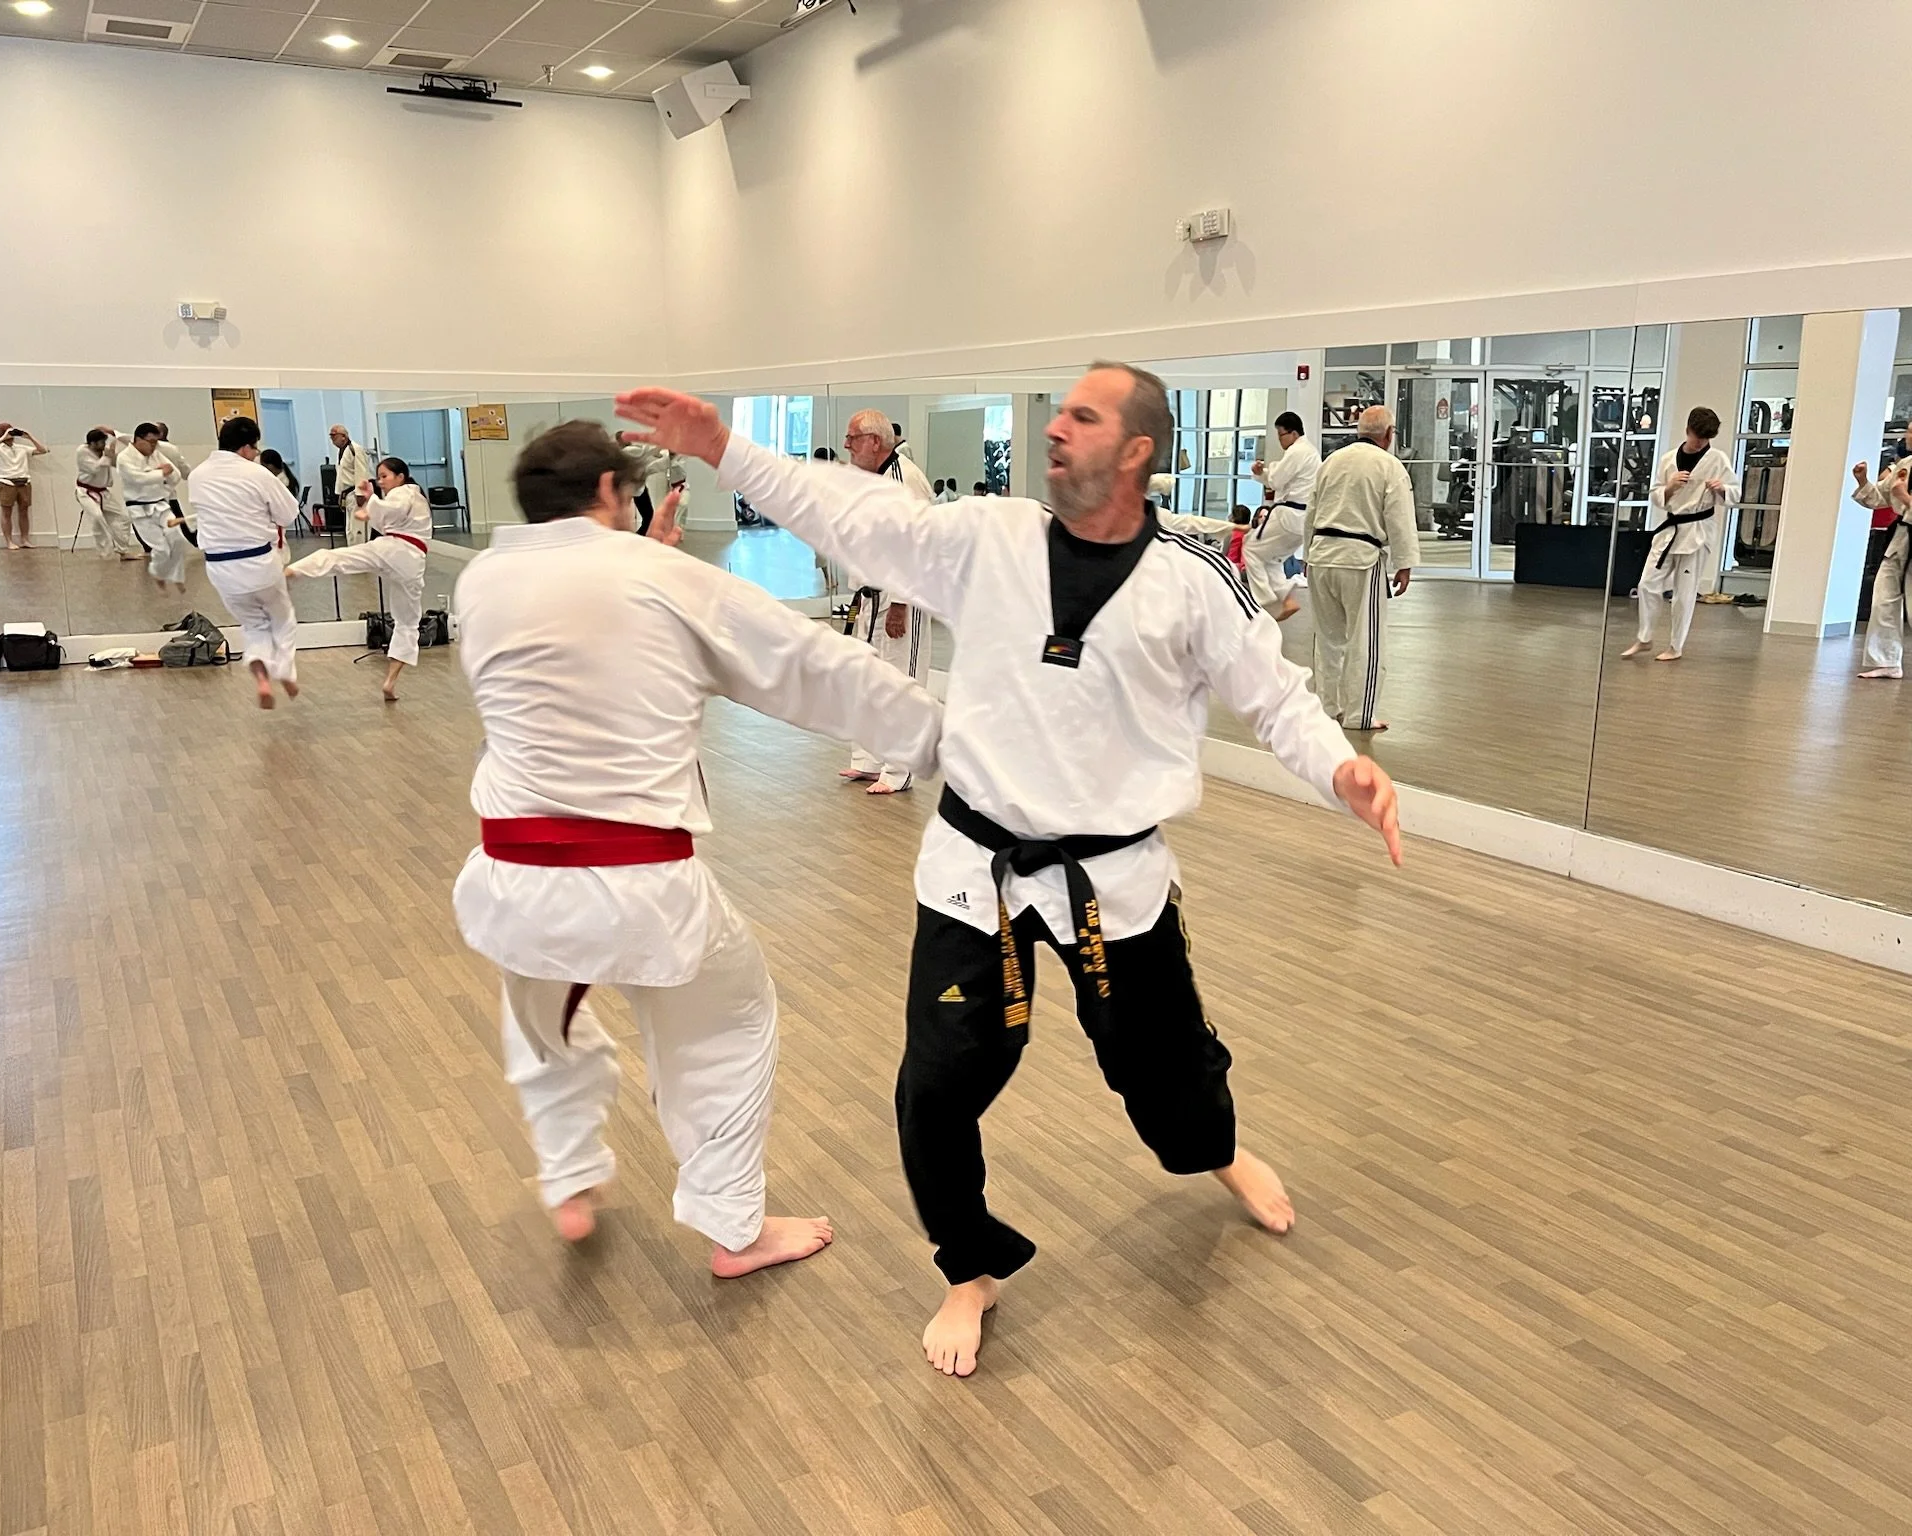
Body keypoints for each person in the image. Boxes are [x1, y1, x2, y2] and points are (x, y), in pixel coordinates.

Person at [618, 363, 1402, 1378]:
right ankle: (969, 1266)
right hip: (972, 864)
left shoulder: (1188, 578)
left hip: (1112, 877)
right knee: (935, 1088)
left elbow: (1274, 694)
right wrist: (724, 447)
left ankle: (1215, 1154)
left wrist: (1338, 767)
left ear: (1135, 450)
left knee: (1163, 1075)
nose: (1054, 430)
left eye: (1082, 417)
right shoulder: (985, 540)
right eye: (1058, 412)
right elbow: (850, 514)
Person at [451, 420, 944, 1277]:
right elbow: (811, 664)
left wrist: (651, 565)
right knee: (725, 1028)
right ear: (614, 490)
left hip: (509, 875)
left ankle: (569, 1178)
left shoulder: (485, 579)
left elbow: (584, 627)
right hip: (640, 882)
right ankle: (733, 1227)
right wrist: (950, 742)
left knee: (541, 1024)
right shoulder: (660, 576)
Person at [1303, 405, 1419, 731]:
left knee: (1326, 639)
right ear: (1389, 434)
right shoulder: (1389, 465)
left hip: (1322, 554)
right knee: (1365, 640)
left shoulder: (1331, 462)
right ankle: (1359, 715)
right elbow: (1399, 518)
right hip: (1360, 560)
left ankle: (1327, 709)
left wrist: (1307, 555)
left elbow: (1311, 511)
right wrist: (1404, 563)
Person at [838, 409, 933, 794]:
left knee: (900, 684)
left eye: (852, 438)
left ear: (874, 442)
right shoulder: (867, 480)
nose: (846, 445)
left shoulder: (906, 480)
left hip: (899, 602)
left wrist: (901, 603)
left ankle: (899, 769)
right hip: (868, 597)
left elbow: (917, 545)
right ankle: (868, 760)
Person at [287, 455, 429, 701]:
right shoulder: (412, 497)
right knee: (408, 622)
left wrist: (370, 503)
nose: (382, 481)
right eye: (380, 477)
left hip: (396, 550)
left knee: (341, 559)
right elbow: (389, 516)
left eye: (385, 476)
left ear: (401, 477)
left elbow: (391, 510)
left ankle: (290, 572)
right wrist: (370, 503)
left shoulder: (406, 492)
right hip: (412, 562)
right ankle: (390, 683)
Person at [188, 415, 302, 709]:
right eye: (254, 449)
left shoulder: (198, 474)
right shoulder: (257, 474)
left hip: (219, 568)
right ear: (245, 448)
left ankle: (262, 679)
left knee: (253, 625)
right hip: (258, 562)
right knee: (282, 619)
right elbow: (288, 515)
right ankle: (284, 671)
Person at [1622, 406, 1738, 662]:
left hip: (1698, 531)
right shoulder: (1667, 459)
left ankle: (1676, 646)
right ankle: (1645, 637)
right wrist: (1670, 487)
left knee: (1683, 594)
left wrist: (1721, 489)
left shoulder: (1718, 460)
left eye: (1706, 439)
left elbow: (1735, 494)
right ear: (1688, 430)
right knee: (1647, 584)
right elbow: (1655, 495)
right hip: (1670, 529)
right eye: (1698, 437)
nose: (1701, 443)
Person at [1247, 411, 1318, 621]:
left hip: (1290, 514)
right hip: (1299, 518)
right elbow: (1279, 478)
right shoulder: (1306, 452)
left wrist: (1266, 472)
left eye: (1281, 435)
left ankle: (1265, 602)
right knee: (1271, 558)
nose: (1279, 440)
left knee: (1250, 547)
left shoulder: (1298, 451)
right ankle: (1287, 600)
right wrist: (1262, 472)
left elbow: (1277, 481)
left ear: (1294, 433)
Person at [1851, 454, 1911, 680]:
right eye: (1908, 430)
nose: (1908, 436)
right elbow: (1880, 497)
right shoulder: (1906, 465)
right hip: (1901, 539)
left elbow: (1900, 497)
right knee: (1884, 598)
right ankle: (1887, 661)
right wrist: (1863, 481)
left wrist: (1905, 498)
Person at [116, 423, 186, 591]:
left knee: (177, 537)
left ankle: (173, 573)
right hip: (139, 510)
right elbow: (137, 479)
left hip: (161, 505)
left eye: (156, 442)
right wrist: (161, 473)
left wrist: (164, 475)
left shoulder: (156, 454)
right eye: (150, 442)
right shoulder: (124, 458)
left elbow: (175, 475)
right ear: (138, 439)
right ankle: (160, 576)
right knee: (160, 548)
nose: (153, 446)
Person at [74, 426, 136, 558]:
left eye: (104, 442)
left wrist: (114, 455)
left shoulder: (105, 451)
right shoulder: (82, 451)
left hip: (103, 492)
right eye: (101, 442)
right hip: (85, 492)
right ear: (92, 443)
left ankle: (123, 550)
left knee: (123, 518)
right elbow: (94, 469)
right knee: (97, 516)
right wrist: (107, 456)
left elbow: (115, 463)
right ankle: (104, 551)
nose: (104, 445)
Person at [0, 422, 49, 551]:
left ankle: (25, 539)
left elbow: (43, 450)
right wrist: (3, 437)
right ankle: (9, 541)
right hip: (6, 482)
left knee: (24, 512)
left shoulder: (22, 447)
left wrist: (29, 437)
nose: (10, 434)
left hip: (24, 481)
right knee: (6, 512)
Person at [329, 424, 373, 534]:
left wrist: (360, 494)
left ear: (343, 436)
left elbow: (361, 472)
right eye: (331, 436)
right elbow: (342, 475)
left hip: (355, 495)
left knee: (358, 529)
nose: (332, 439)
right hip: (347, 495)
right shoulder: (343, 451)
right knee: (350, 530)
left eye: (335, 436)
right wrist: (339, 494)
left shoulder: (355, 449)